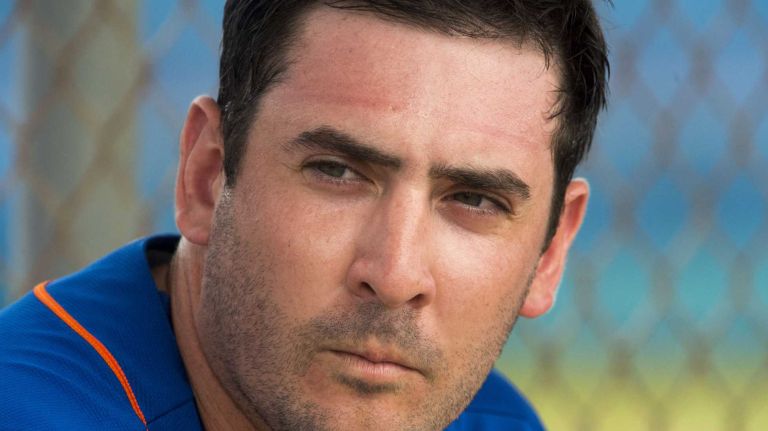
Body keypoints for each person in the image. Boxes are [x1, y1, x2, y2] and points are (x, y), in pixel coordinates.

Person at [0, 1, 609, 430]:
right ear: (207, 176)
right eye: (338, 172)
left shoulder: (489, 422)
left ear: (549, 251)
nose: (394, 275)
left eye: (474, 200)